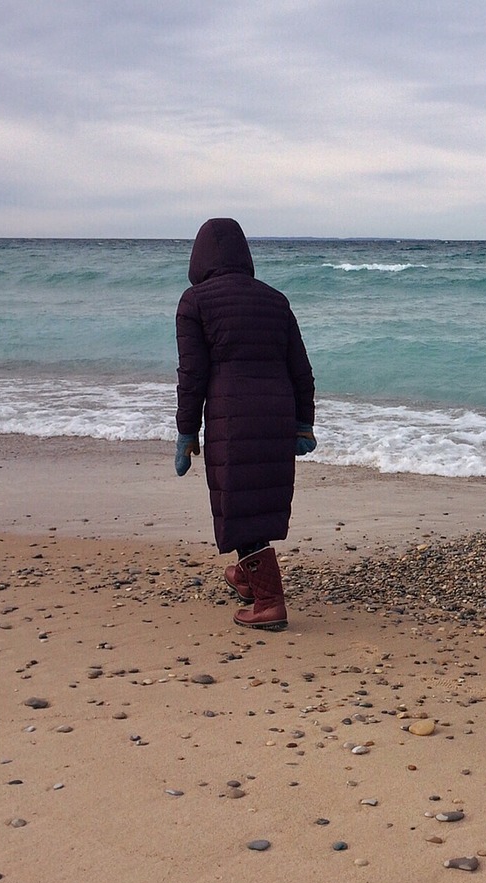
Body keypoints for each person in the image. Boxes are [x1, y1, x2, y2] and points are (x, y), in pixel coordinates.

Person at [174, 218, 316, 631]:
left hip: (230, 418)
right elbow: (301, 370)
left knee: (238, 501)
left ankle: (270, 602)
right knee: (256, 499)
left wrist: (187, 431)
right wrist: (303, 422)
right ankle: (247, 577)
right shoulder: (276, 301)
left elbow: (192, 374)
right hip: (275, 414)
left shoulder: (195, 302)